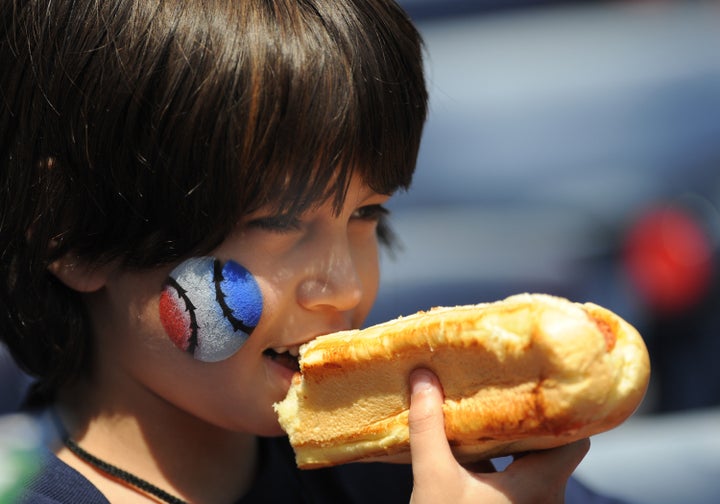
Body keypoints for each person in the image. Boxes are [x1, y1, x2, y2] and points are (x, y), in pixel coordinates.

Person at [0, 0, 598, 502]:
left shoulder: (410, 472)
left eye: (365, 213)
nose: (346, 287)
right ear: (73, 233)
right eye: (276, 222)